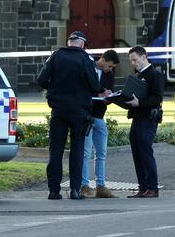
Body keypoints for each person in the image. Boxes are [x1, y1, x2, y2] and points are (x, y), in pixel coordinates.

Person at [36, 31, 101, 200]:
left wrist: (56, 86)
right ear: (82, 44)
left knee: (56, 150)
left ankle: (53, 190)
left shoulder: (56, 56)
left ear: (69, 42)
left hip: (58, 110)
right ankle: (74, 190)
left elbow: (41, 81)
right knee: (77, 150)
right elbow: (95, 86)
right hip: (79, 111)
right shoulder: (86, 59)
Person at [124, 45, 163, 198]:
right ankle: (143, 187)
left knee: (146, 153)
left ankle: (152, 188)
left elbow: (157, 97)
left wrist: (139, 103)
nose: (133, 63)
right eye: (131, 61)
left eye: (135, 60)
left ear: (143, 57)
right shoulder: (138, 75)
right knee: (137, 154)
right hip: (137, 118)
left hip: (148, 119)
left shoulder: (155, 75)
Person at [80, 49, 120, 198]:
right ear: (103, 60)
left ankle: (101, 186)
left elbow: (107, 91)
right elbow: (85, 89)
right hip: (87, 115)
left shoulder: (109, 74)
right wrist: (99, 93)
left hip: (99, 115)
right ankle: (84, 185)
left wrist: (108, 97)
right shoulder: (88, 66)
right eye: (109, 66)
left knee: (101, 153)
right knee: (86, 152)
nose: (111, 69)